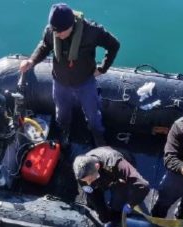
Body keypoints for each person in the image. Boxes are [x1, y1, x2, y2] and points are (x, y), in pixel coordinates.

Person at [19, 3, 120, 148]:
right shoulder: (51, 31)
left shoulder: (92, 31)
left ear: (72, 24)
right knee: (62, 114)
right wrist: (31, 61)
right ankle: (64, 132)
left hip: (85, 82)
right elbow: (44, 46)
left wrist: (103, 68)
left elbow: (114, 45)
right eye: (55, 31)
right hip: (60, 81)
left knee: (93, 115)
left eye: (61, 31)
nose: (58, 35)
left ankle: (98, 136)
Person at [73, 147, 149, 227]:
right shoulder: (82, 174)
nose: (88, 183)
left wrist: (130, 205)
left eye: (89, 179)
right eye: (85, 180)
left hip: (116, 175)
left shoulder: (117, 164)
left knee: (118, 202)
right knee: (95, 204)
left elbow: (143, 185)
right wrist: (103, 217)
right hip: (98, 176)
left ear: (97, 166)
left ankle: (116, 215)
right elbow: (92, 193)